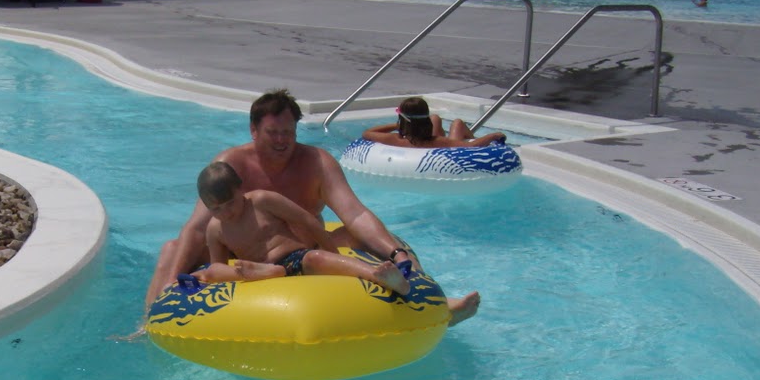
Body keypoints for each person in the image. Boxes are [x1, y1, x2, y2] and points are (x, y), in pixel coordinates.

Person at [143, 89, 480, 324]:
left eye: (288, 131)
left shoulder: (316, 161)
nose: (281, 140)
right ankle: (152, 321)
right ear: (253, 129)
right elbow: (198, 227)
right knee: (172, 247)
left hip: (302, 250)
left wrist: (395, 254)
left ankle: (436, 304)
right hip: (244, 256)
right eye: (272, 132)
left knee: (390, 242)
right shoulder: (231, 164)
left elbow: (356, 213)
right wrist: (175, 280)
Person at [195, 161, 411, 296]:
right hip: (256, 272)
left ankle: (379, 275)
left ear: (241, 188)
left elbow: (307, 220)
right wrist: (212, 276)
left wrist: (332, 254)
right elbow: (219, 268)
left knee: (316, 257)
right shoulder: (215, 230)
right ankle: (265, 273)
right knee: (213, 270)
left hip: (293, 260)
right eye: (216, 209)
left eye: (230, 202)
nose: (226, 213)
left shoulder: (262, 201)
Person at [360, 97, 509, 148]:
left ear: (403, 120)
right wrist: (493, 135)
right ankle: (468, 133)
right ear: (425, 120)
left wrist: (396, 126)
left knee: (436, 118)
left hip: (413, 138)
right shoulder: (439, 142)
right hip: (442, 149)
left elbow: (367, 133)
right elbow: (470, 146)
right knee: (457, 123)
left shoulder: (394, 140)